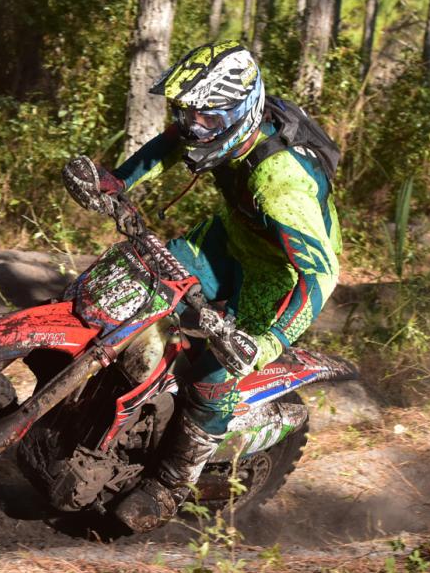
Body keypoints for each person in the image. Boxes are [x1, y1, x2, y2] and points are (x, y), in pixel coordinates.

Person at [64, 41, 343, 532]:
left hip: (274, 276)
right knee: (128, 283)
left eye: (206, 119)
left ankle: (167, 488)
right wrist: (116, 182)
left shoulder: (281, 184)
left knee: (215, 378)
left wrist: (266, 343)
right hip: (226, 239)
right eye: (186, 113)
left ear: (240, 112)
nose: (193, 127)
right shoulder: (216, 129)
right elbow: (173, 141)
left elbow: (322, 273)